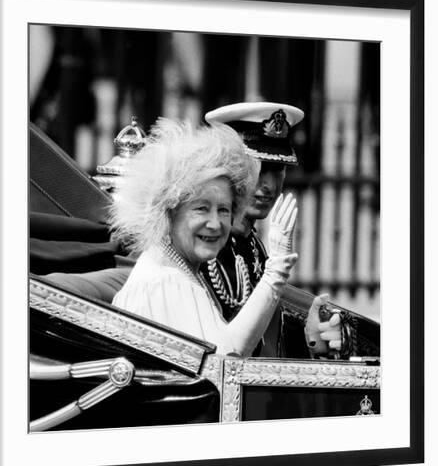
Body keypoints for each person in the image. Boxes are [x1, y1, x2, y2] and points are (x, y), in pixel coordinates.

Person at [111, 118, 298, 356]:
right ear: (170, 210)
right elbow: (225, 360)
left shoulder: (180, 271)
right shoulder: (165, 282)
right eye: (201, 208)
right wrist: (276, 273)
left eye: (223, 210)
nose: (215, 224)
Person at [201, 102, 342, 357]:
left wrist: (310, 337)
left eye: (277, 170)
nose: (268, 184)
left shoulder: (253, 244)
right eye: (260, 168)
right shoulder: (205, 243)